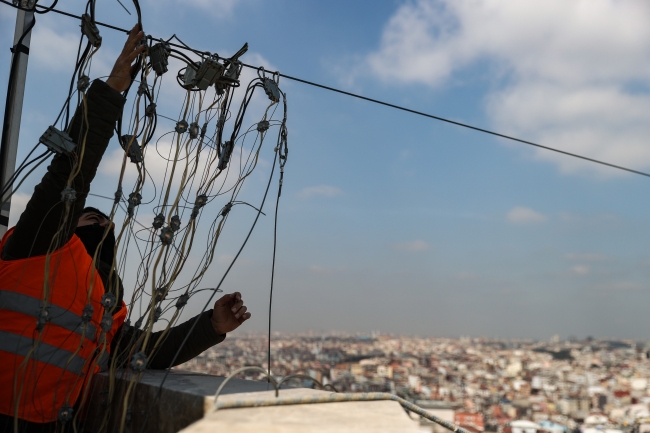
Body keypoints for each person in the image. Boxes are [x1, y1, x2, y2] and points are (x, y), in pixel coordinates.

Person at [0, 25, 251, 432]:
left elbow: (143, 352)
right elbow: (69, 176)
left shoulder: (102, 305)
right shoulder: (36, 247)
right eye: (89, 216)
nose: (103, 221)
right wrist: (111, 93)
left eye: (105, 221)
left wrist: (212, 326)